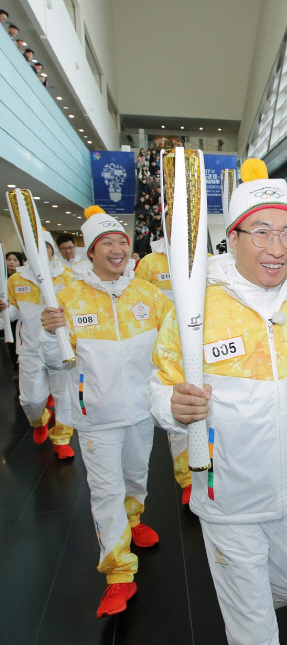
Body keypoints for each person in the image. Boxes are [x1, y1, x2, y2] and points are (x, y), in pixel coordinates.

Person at [148, 158, 287, 645]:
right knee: (255, 632)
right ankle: (246, 607)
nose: (276, 249)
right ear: (232, 238)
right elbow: (159, 385)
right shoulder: (196, 305)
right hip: (227, 494)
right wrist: (170, 405)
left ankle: (247, 598)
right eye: (260, 232)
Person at [40, 206, 173, 618]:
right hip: (95, 414)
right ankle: (118, 573)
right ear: (91, 251)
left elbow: (171, 345)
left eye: (121, 242)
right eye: (107, 244)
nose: (117, 249)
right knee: (105, 491)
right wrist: (49, 333)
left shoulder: (147, 294)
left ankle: (133, 521)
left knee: (136, 476)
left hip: (140, 410)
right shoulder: (67, 298)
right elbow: (54, 361)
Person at [0, 233, 74, 459]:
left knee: (65, 399)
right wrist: (4, 309)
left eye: (45, 248)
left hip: (60, 346)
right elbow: (13, 313)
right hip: (30, 348)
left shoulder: (68, 277)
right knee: (31, 400)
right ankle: (40, 419)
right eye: (34, 248)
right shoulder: (16, 280)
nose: (40, 253)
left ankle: (61, 440)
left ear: (52, 250)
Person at [134, 235, 192, 504]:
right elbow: (138, 298)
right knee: (179, 406)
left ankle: (204, 473)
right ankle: (188, 478)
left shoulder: (205, 257)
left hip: (200, 335)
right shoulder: (149, 263)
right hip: (168, 340)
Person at [4, 251, 24, 374]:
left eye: (15, 260)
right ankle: (16, 367)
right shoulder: (3, 278)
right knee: (11, 343)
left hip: (21, 314)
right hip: (7, 313)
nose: (11, 262)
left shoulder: (22, 278)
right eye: (9, 259)